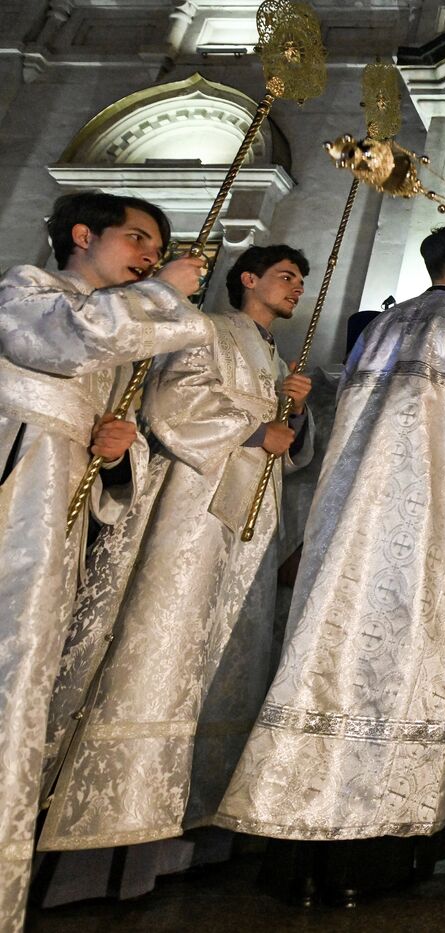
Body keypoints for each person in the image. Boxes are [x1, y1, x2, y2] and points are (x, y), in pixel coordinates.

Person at [214, 227, 445, 906]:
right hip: (432, 527)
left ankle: (303, 861)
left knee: (333, 662)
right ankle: (383, 857)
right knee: (408, 671)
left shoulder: (379, 329)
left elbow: (342, 415)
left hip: (351, 523)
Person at [39, 245, 316, 860]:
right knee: (167, 639)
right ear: (248, 278)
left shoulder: (273, 355)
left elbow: (289, 449)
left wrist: (293, 409)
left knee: (226, 651)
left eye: (301, 280)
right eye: (286, 276)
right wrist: (253, 429)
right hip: (191, 508)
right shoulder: (207, 329)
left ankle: (194, 824)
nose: (297, 288)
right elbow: (172, 403)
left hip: (248, 517)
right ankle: (116, 829)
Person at [0, 191, 211, 925]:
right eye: (138, 239)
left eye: (156, 247)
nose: (150, 254)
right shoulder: (28, 290)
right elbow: (52, 343)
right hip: (14, 496)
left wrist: (117, 458)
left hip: (57, 532)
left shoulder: (116, 344)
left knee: (23, 687)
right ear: (83, 235)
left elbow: (119, 463)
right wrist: (159, 294)